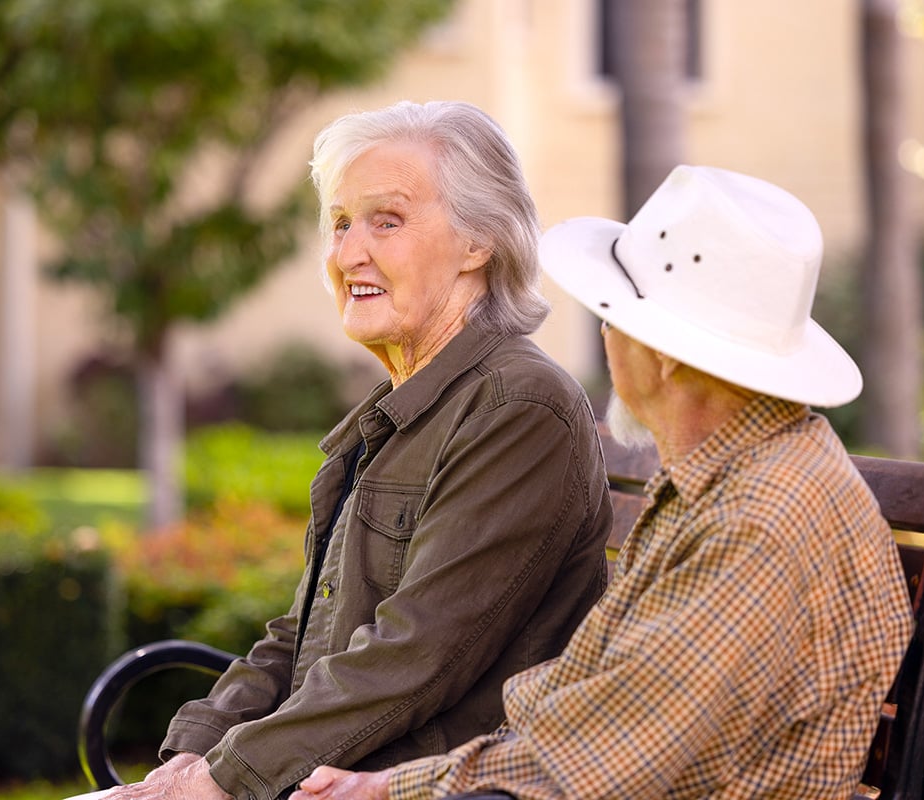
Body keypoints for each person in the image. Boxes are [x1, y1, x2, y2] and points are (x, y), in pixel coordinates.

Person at [287, 165, 915, 800]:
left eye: (611, 318)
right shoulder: (731, 478)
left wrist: (383, 791)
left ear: (663, 351)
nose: (607, 339)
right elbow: (597, 711)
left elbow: (592, 758)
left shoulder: (758, 522)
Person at [98, 101, 613, 800]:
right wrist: (194, 753)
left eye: (387, 221)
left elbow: (417, 653)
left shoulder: (518, 406)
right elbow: (301, 632)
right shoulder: (399, 412)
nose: (347, 253)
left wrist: (226, 779)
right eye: (340, 223)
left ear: (479, 241)